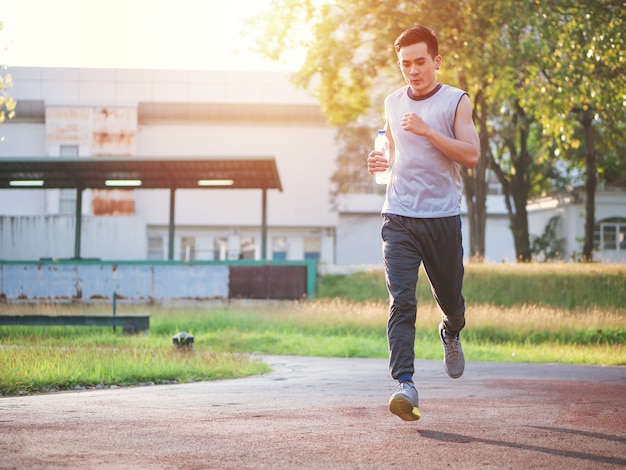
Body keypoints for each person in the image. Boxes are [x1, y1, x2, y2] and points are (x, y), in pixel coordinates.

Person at [367, 25, 480, 422]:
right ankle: (405, 384)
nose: (412, 71)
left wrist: (429, 129)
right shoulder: (392, 102)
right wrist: (381, 161)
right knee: (402, 301)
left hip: (441, 218)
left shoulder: (455, 101)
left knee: (450, 300)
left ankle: (451, 330)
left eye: (419, 62)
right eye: (404, 64)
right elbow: (393, 150)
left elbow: (471, 155)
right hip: (398, 215)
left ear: (436, 61)